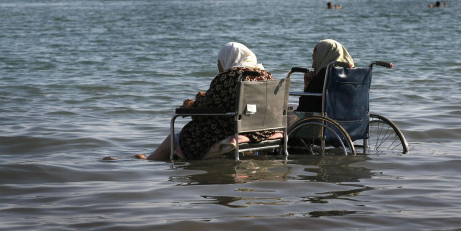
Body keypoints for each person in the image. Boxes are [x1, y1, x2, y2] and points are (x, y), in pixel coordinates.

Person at [141, 42, 275, 161]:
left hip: (233, 127)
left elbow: (208, 109)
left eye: (220, 63)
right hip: (263, 129)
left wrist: (192, 105)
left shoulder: (229, 76)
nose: (219, 68)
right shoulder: (266, 75)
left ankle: (150, 161)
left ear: (227, 59)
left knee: (177, 137)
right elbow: (239, 100)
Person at [296, 39, 355, 113]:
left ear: (323, 57)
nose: (312, 65)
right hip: (352, 119)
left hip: (324, 121)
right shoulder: (353, 75)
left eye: (315, 58)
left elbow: (303, 108)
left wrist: (307, 86)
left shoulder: (324, 75)